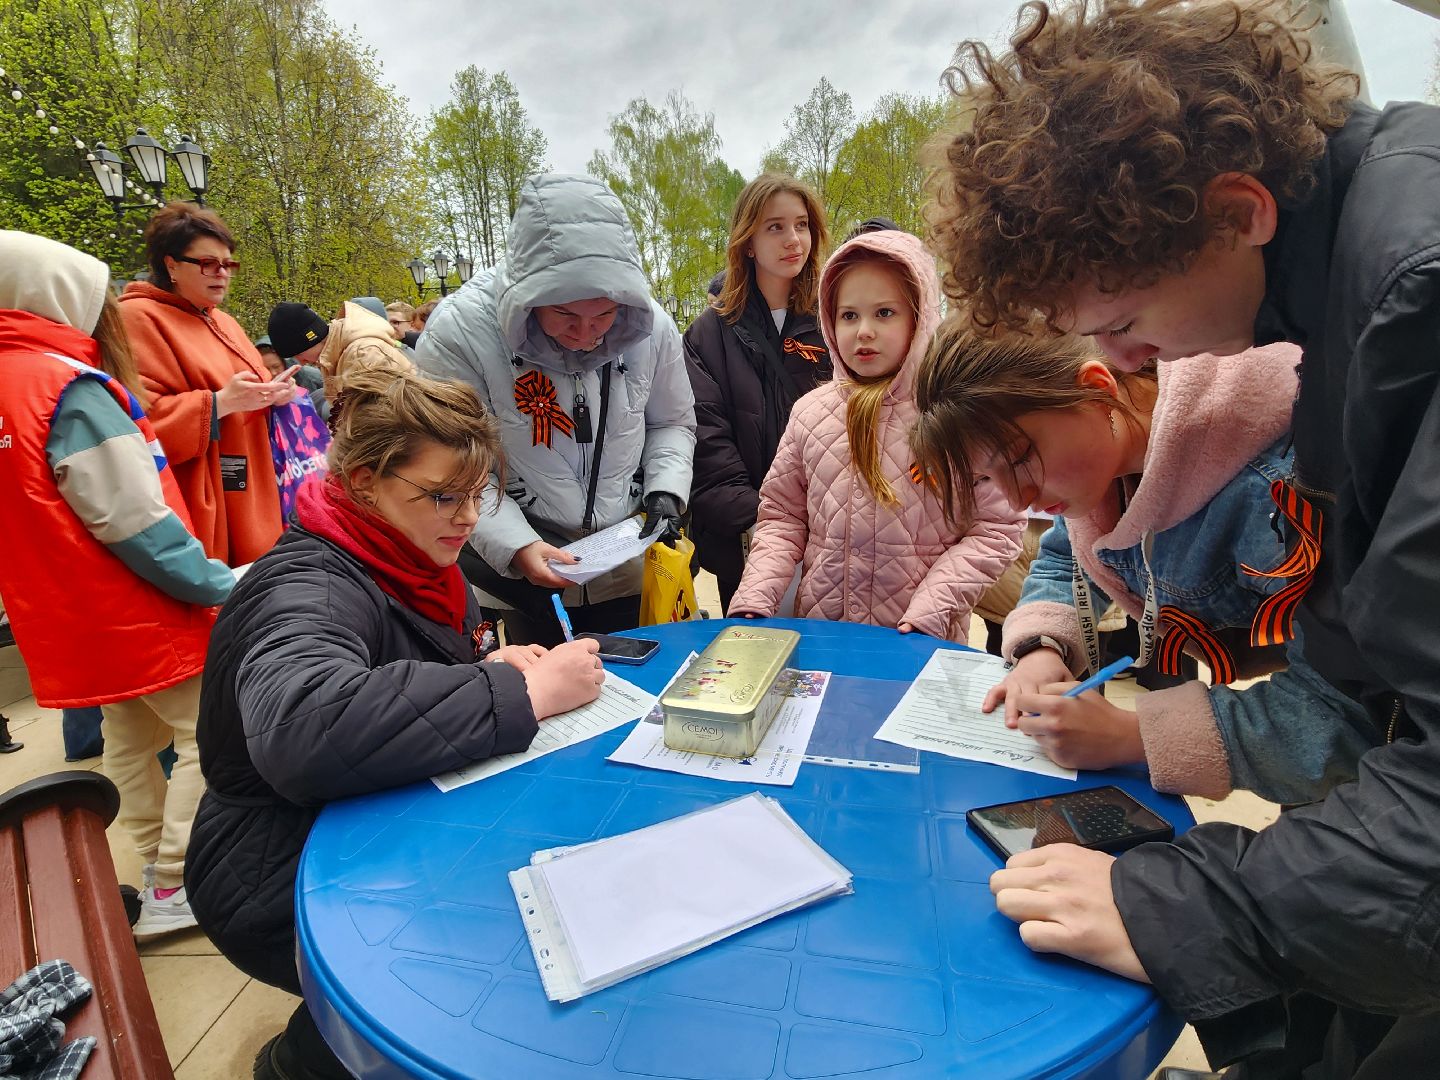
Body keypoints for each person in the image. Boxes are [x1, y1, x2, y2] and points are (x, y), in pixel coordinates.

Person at [927, 1, 1440, 1075]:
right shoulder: (1349, 302)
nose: (1127, 352)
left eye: (1118, 327)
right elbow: (1359, 675)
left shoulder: (1406, 307)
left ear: (1239, 211)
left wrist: (1194, 904)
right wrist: (1045, 639)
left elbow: (1369, 732)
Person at [185, 364, 606, 1080]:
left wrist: (495, 672)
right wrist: (518, 695)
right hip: (279, 870)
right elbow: (303, 722)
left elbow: (404, 665)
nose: (469, 518)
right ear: (362, 480)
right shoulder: (309, 583)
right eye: (443, 496)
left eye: (478, 495)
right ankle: (313, 1060)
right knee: (501, 952)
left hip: (355, 834)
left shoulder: (407, 555)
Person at [911, 329, 1373, 802]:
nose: (1017, 498)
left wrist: (1132, 737)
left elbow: (1346, 717)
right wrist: (1041, 650)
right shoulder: (1096, 470)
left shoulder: (1276, 492)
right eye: (988, 478)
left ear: (1096, 390)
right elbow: (1064, 557)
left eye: (1020, 460)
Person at [0, 230, 234, 939]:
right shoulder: (66, 386)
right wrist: (214, 583)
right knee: (209, 735)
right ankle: (176, 881)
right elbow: (134, 518)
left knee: (127, 740)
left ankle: (149, 873)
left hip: (63, 612)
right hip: (134, 605)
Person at [416, 173, 695, 646]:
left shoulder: (652, 326)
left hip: (626, 564)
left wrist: (666, 492)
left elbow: (670, 422)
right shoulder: (459, 333)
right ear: (529, 297)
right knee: (547, 705)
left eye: (605, 315)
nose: (588, 334)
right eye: (566, 315)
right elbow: (454, 467)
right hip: (520, 577)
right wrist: (517, 547)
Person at [728, 230, 1024, 637]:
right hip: (822, 642)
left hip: (919, 644)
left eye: (884, 312)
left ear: (920, 317)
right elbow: (782, 517)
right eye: (849, 315)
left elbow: (997, 529)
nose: (863, 330)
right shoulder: (810, 414)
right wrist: (755, 598)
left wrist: (931, 608)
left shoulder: (957, 417)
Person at [119, 202, 303, 566]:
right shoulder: (136, 317)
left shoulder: (224, 321)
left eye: (228, 264)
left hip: (256, 484)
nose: (222, 274)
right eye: (208, 264)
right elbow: (134, 424)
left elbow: (250, 386)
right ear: (171, 265)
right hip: (202, 495)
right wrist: (219, 403)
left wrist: (275, 393)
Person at [684, 174, 834, 612]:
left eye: (802, 224)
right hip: (748, 543)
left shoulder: (836, 319)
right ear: (748, 241)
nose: (793, 239)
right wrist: (766, 521)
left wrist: (829, 522)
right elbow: (706, 441)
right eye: (775, 227)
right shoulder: (708, 333)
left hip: (832, 545)